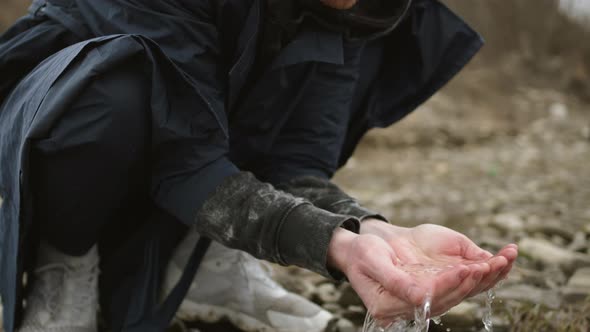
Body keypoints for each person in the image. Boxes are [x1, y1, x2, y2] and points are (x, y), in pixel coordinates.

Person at [0, 0, 518, 331]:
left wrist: (371, 234)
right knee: (113, 95)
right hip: (78, 123)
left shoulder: (362, 7)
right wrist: (338, 250)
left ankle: (204, 260)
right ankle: (64, 262)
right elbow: (182, 159)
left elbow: (298, 160)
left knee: (397, 29)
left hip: (190, 145)